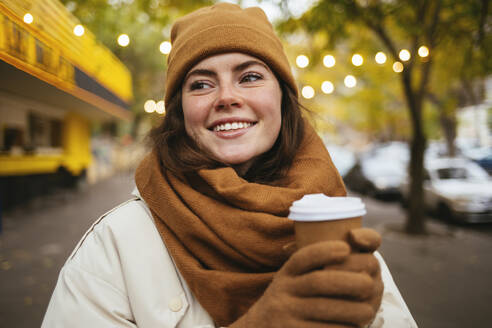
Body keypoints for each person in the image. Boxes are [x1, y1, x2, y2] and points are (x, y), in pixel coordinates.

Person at [42, 3, 417, 327]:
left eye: (250, 77)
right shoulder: (116, 244)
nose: (226, 97)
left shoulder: (331, 223)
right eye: (201, 84)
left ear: (283, 100)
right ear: (179, 112)